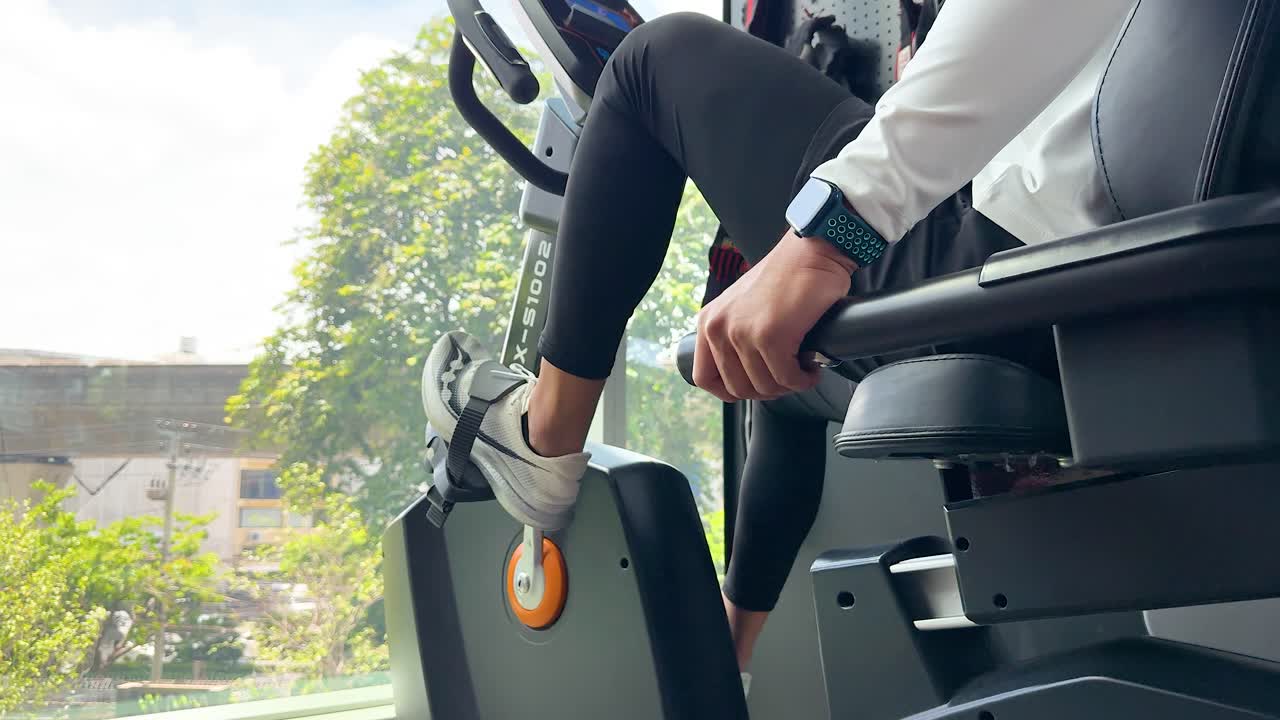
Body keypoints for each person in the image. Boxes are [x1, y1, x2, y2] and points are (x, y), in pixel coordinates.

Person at [422, 0, 1137, 684]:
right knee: (789, 391)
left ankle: (541, 437)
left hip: (1037, 272)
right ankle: (732, 662)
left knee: (651, 62)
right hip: (1113, 285)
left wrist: (830, 236)